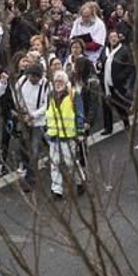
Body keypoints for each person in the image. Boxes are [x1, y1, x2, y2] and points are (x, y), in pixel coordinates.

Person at [45, 69, 88, 199]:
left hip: (69, 135)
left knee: (71, 163)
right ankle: (56, 190)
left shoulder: (73, 95)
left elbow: (79, 114)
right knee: (55, 163)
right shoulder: (51, 95)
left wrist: (80, 131)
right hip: (54, 135)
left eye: (60, 81)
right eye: (56, 81)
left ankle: (80, 181)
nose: (58, 83)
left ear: (66, 82)